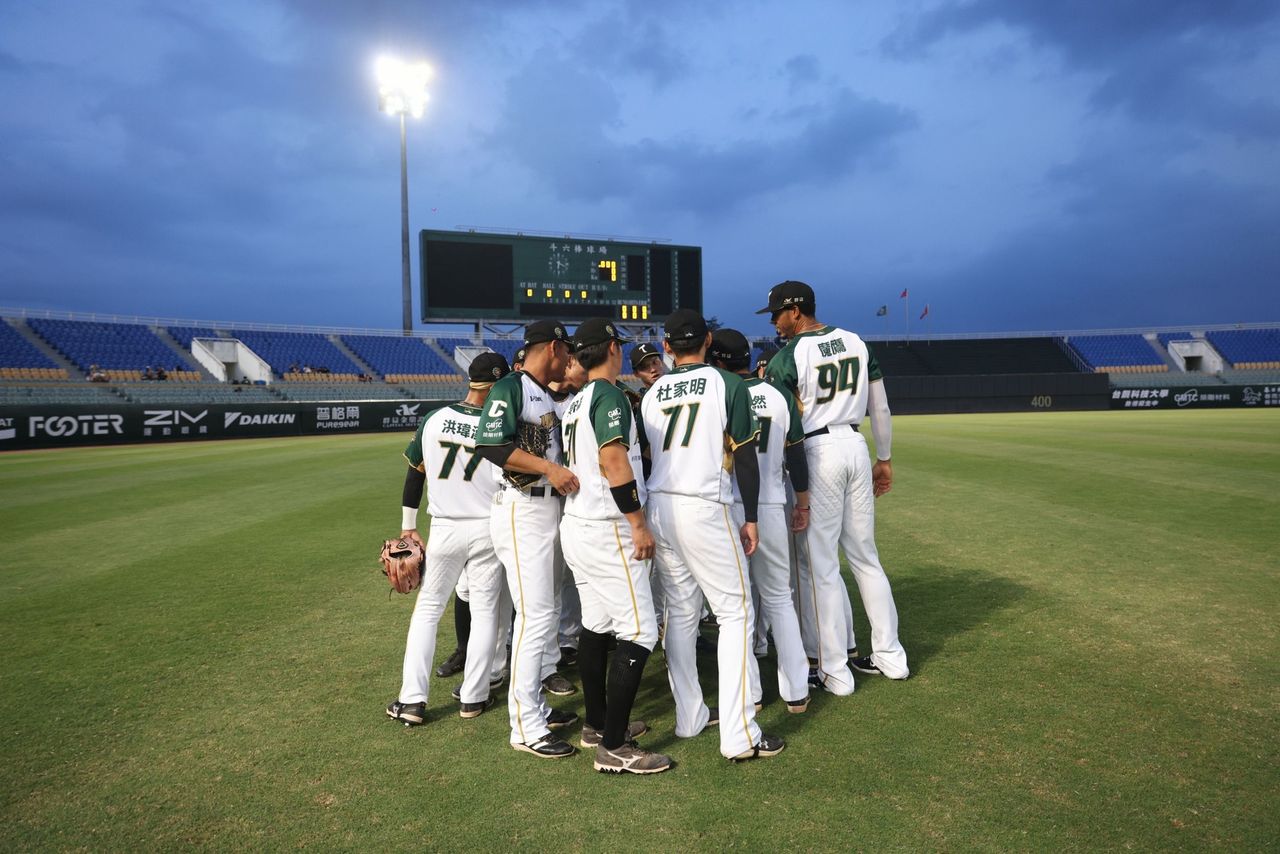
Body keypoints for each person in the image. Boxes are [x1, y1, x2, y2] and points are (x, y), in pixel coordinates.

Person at [641, 308, 784, 762]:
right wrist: (753, 518)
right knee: (736, 611)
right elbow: (744, 455)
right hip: (704, 503)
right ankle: (741, 734)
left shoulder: (652, 392)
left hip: (660, 505)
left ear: (667, 347)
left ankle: (690, 716)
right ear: (707, 340)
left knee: (681, 613)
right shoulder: (729, 384)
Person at [759, 280, 908, 690]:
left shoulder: (789, 356)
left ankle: (836, 672)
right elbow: (880, 405)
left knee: (820, 566)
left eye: (776, 313)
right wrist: (884, 458)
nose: (774, 321)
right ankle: (891, 656)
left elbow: (779, 424)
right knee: (865, 558)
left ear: (796, 310)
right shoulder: (856, 341)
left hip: (818, 450)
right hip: (855, 445)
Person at [558, 318, 670, 774]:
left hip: (579, 524)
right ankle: (615, 747)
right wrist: (639, 523)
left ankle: (597, 724)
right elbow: (613, 460)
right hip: (607, 528)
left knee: (596, 625)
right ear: (610, 348)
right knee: (640, 632)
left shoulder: (574, 401)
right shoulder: (606, 394)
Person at [386, 352, 514, 726]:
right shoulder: (500, 425)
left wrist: (409, 528)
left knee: (428, 610)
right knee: (486, 611)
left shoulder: (434, 418)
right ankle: (474, 698)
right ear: (496, 385)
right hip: (488, 528)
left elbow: (414, 476)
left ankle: (411, 701)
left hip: (444, 528)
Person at [475, 320, 582, 759]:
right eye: (566, 351)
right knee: (535, 616)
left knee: (542, 613)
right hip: (523, 508)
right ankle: (525, 725)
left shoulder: (542, 390)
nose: (569, 358)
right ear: (554, 347)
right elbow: (490, 445)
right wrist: (550, 469)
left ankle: (532, 705)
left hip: (544, 508)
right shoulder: (513, 386)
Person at [708, 328, 811, 713]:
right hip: (770, 501)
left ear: (717, 359)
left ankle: (749, 693)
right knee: (779, 597)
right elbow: (797, 456)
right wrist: (802, 502)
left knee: (738, 605)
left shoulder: (717, 391)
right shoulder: (779, 394)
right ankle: (796, 689)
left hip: (725, 503)